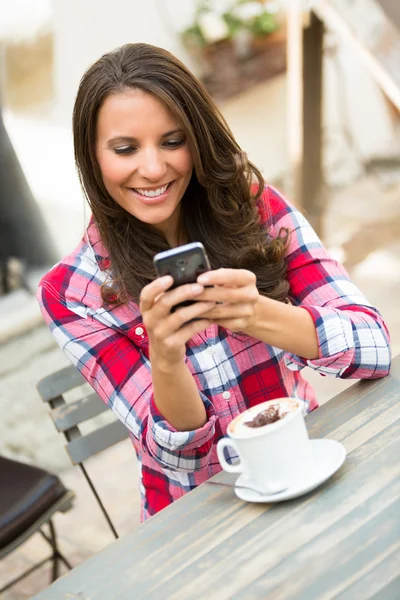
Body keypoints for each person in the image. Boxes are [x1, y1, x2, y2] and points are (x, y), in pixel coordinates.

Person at [37, 43, 391, 522]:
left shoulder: (253, 208)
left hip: (300, 463)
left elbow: (375, 350)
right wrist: (165, 356)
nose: (154, 168)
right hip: (197, 515)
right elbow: (183, 459)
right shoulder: (70, 292)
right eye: (125, 149)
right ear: (92, 157)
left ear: (198, 139)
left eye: (172, 141)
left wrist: (259, 313)